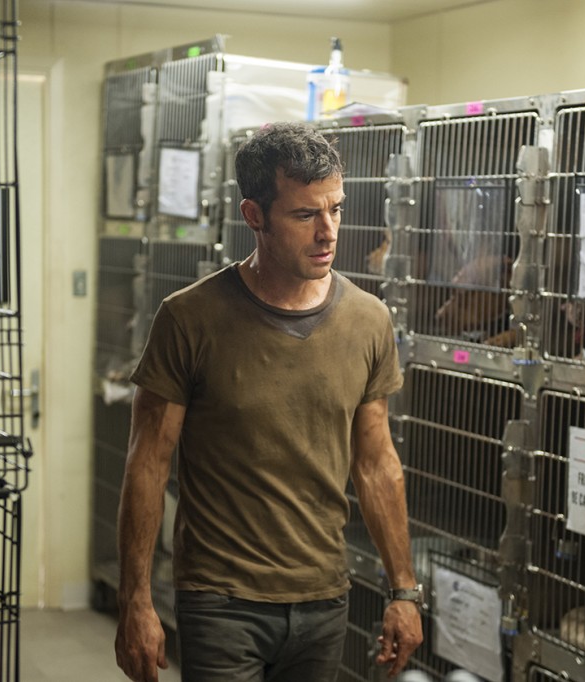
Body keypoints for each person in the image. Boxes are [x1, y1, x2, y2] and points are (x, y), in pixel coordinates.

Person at [115, 122, 424, 682]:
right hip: (221, 600)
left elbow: (377, 462)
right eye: (305, 215)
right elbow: (148, 464)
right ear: (254, 215)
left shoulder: (369, 319)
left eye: (336, 209)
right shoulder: (188, 318)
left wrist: (403, 589)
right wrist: (135, 599)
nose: (328, 232)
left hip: (324, 598)